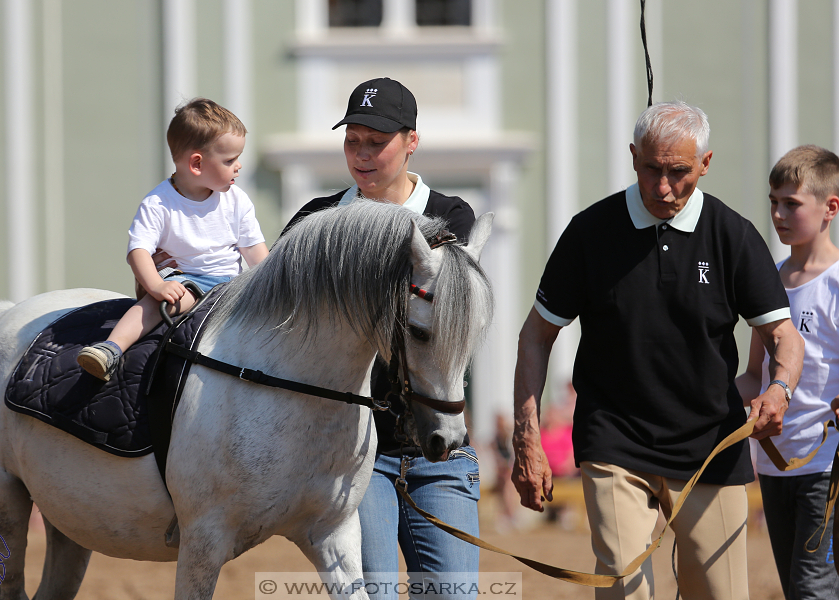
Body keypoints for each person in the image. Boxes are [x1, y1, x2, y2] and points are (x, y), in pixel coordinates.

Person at [511, 100, 805, 600]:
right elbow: (536, 335)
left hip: (712, 443)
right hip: (616, 440)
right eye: (651, 169)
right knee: (624, 589)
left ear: (706, 164)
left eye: (679, 172)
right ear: (632, 157)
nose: (663, 187)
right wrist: (527, 434)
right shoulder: (590, 232)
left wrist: (779, 388)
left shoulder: (732, 235)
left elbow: (784, 337)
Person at [282, 77, 480, 600]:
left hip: (440, 451)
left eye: (377, 142)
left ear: (411, 141)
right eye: (353, 141)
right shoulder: (313, 220)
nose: (362, 155)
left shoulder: (452, 215)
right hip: (350, 455)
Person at [78, 98, 269, 381]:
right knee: (157, 306)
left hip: (233, 286)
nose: (238, 166)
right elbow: (138, 251)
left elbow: (254, 251)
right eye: (230, 160)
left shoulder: (236, 200)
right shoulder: (159, 203)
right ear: (196, 163)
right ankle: (110, 349)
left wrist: (273, 283)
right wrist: (156, 285)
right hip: (186, 283)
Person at [735, 145, 839, 599]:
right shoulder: (768, 281)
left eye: (791, 203)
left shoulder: (837, 284)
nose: (778, 213)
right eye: (773, 201)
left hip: (827, 466)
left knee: (811, 588)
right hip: (775, 466)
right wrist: (701, 401)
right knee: (800, 587)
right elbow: (754, 375)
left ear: (830, 207)